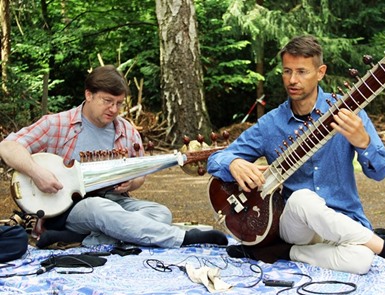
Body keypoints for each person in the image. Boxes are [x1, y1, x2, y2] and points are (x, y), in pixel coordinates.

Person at [207, 35, 385, 274]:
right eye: (287, 71)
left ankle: (283, 252)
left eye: (301, 72)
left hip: (344, 220)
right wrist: (233, 162)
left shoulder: (349, 112)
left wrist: (364, 142)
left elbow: (380, 172)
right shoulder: (271, 124)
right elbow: (215, 159)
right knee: (302, 199)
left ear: (320, 72)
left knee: (361, 260)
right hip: (297, 225)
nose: (292, 80)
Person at [0, 65, 228, 249]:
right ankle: (183, 238)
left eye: (119, 103)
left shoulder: (126, 131)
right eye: (107, 101)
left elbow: (140, 178)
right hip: (68, 207)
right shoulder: (57, 124)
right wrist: (36, 172)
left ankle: (83, 238)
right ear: (88, 95)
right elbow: (8, 147)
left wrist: (132, 181)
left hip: (115, 202)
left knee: (160, 212)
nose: (114, 109)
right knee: (100, 209)